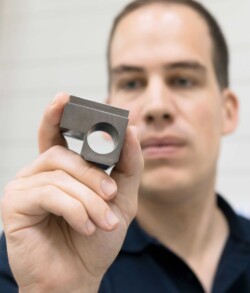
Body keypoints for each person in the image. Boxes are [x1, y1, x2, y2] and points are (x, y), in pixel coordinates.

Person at [1, 0, 250, 292]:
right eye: (131, 83)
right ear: (110, 112)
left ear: (228, 111)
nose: (157, 107)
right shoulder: (30, 259)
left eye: (183, 80)